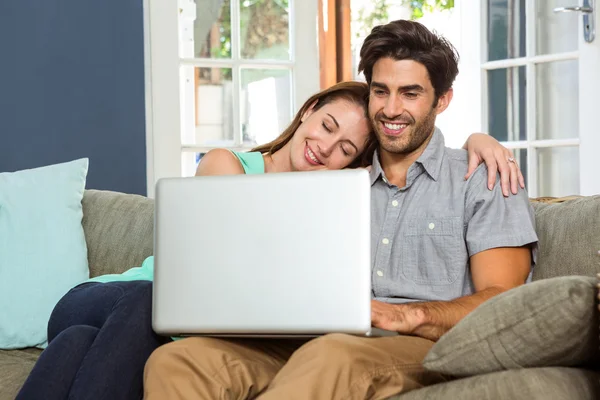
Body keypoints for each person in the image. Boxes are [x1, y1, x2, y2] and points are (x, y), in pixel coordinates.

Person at [16, 81, 521, 400]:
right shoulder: (227, 164)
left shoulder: (333, 204)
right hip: (113, 298)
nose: (325, 147)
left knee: (76, 349)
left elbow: (409, 150)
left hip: (137, 330)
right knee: (150, 303)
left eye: (345, 148)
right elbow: (228, 269)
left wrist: (478, 140)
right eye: (325, 126)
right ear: (306, 112)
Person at [142, 20, 538, 400]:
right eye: (381, 91)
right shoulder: (332, 185)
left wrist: (410, 316)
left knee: (331, 358)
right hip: (320, 342)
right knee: (179, 360)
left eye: (411, 93)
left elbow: (502, 298)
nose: (391, 108)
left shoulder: (482, 176)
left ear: (442, 99)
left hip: (421, 346)